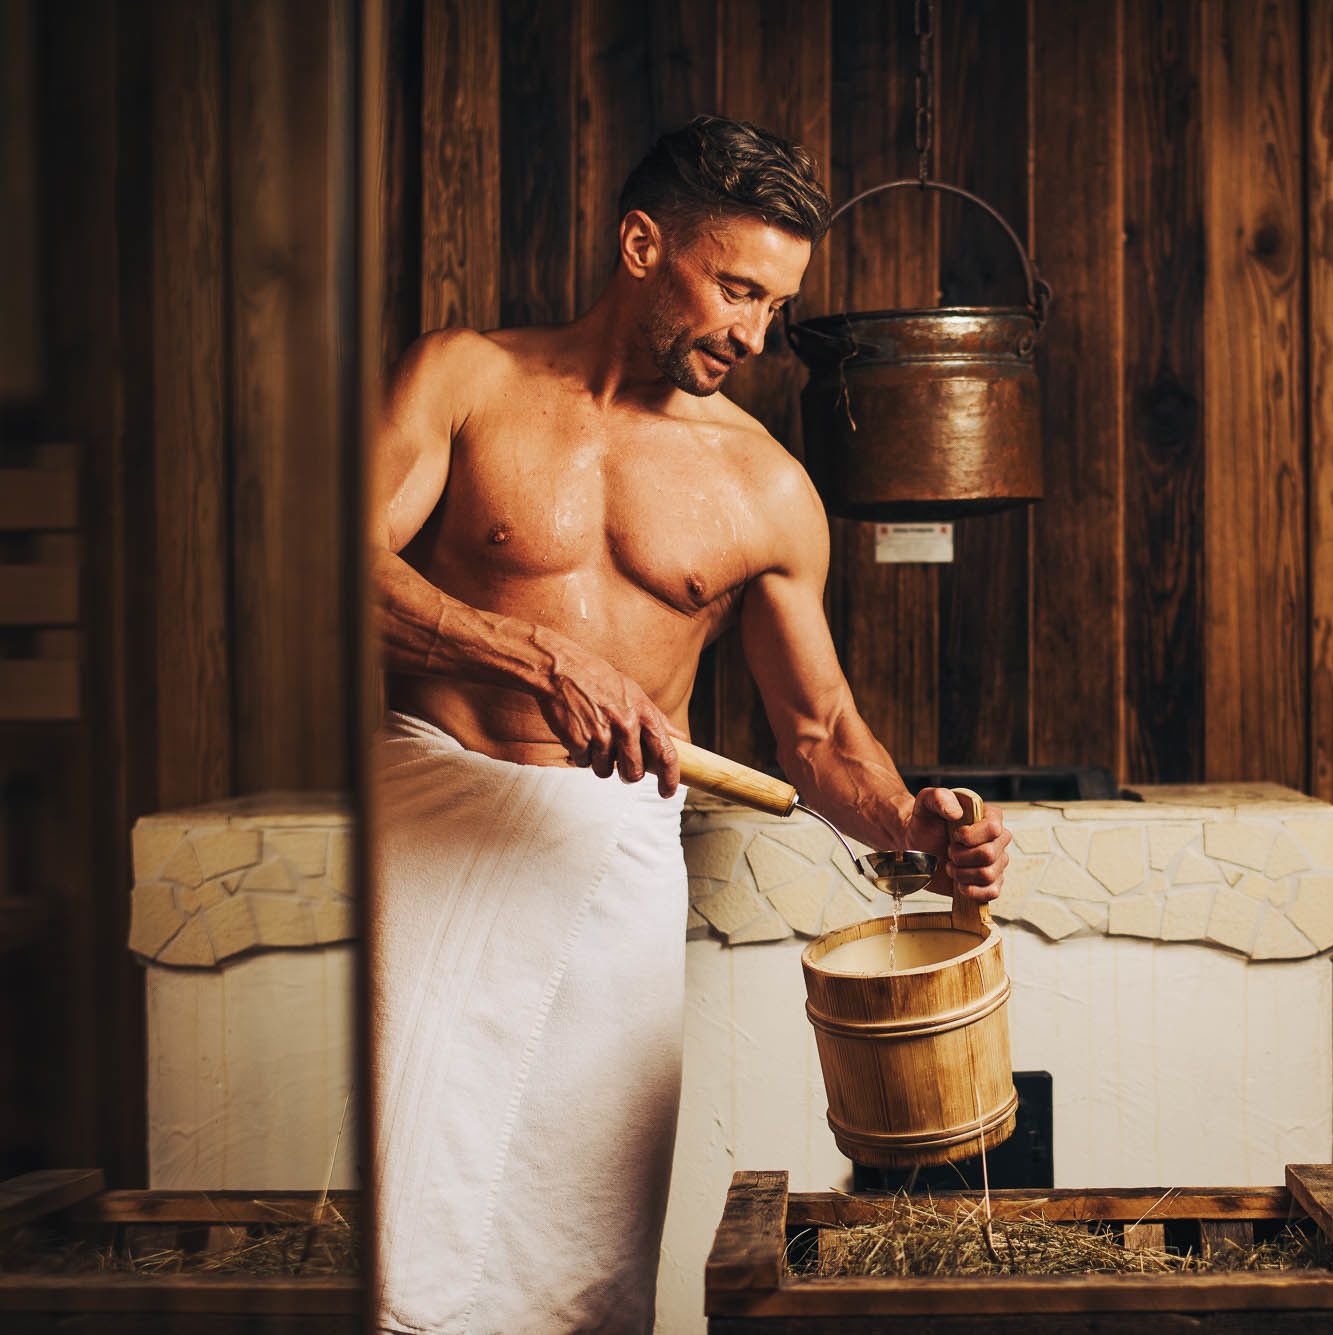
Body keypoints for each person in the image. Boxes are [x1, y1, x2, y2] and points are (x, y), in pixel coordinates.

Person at [367, 115, 1013, 1335]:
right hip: (437, 825)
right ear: (640, 243)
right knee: (413, 1212)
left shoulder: (765, 485)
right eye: (734, 288)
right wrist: (527, 652)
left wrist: (914, 823)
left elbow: (820, 736)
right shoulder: (464, 380)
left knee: (582, 1241)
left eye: (774, 305)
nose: (753, 335)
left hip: (608, 869)